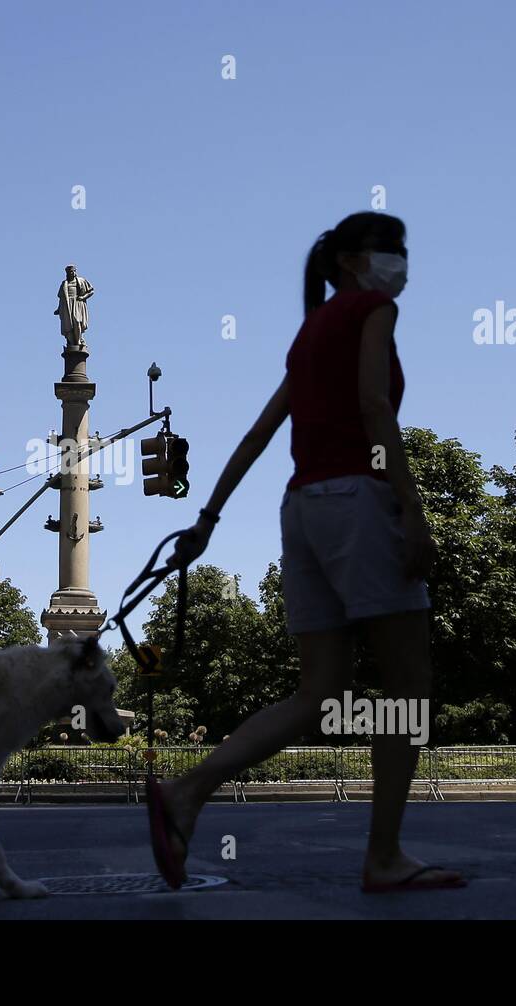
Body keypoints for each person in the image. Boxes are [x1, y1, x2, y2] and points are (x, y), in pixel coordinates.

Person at [146, 211, 466, 893]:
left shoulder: (310, 331)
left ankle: (187, 790)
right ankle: (383, 858)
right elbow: (376, 407)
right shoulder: (370, 309)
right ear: (354, 259)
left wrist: (207, 518)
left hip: (301, 509)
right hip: (359, 503)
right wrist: (411, 507)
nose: (402, 263)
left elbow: (260, 432)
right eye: (393, 250)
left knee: (320, 695)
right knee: (407, 691)